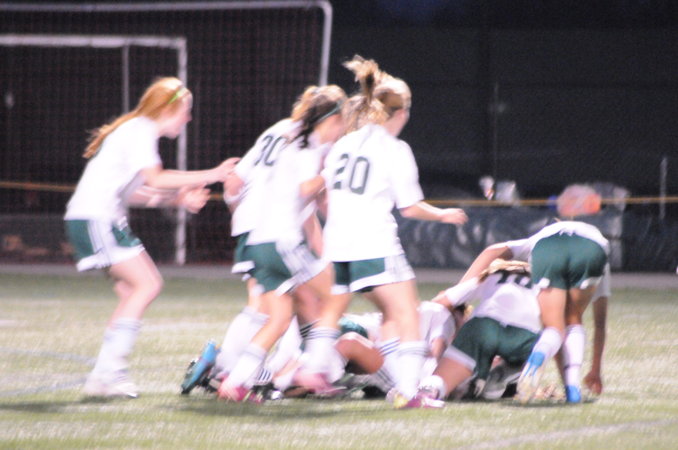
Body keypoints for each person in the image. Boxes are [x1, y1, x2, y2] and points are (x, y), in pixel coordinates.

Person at [299, 55, 468, 409]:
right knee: (407, 314)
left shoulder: (344, 143)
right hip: (373, 243)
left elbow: (325, 189)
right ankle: (408, 392)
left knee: (343, 309)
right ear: (401, 112)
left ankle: (313, 368)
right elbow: (410, 207)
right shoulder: (395, 149)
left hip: (338, 244)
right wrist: (443, 215)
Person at [64, 77, 238, 398]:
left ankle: (105, 375)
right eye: (185, 111)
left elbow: (134, 193)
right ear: (168, 109)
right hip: (96, 219)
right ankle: (107, 374)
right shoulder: (141, 130)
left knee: (133, 290)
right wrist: (213, 174)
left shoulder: (135, 130)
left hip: (95, 218)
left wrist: (177, 200)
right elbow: (156, 178)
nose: (188, 118)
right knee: (147, 284)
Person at [215, 84, 348, 402]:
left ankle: (234, 382)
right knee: (337, 293)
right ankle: (313, 369)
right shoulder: (307, 144)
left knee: (277, 317)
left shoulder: (284, 132)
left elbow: (236, 182)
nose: (341, 132)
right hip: (280, 240)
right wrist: (330, 174)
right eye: (341, 124)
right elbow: (304, 190)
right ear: (330, 120)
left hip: (256, 238)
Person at [458, 184, 610, 403]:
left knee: (554, 327)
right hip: (591, 249)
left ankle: (538, 356)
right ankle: (573, 389)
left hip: (548, 246)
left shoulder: (544, 234)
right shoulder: (599, 243)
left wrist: (462, 290)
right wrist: (595, 370)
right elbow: (600, 325)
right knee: (573, 319)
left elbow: (492, 250)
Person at [416, 260, 542, 402]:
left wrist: (458, 335)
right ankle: (506, 374)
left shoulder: (493, 275)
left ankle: (427, 393)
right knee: (543, 344)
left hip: (483, 325)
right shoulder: (547, 284)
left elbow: (441, 301)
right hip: (525, 334)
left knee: (439, 381)